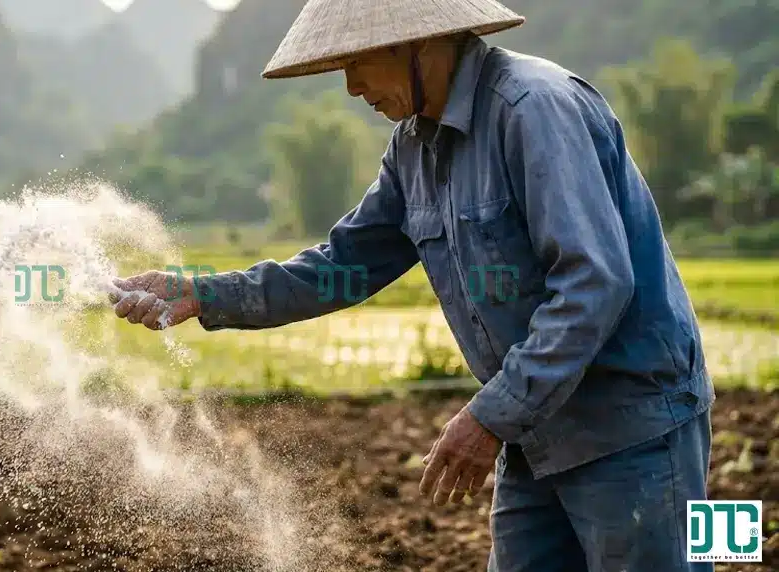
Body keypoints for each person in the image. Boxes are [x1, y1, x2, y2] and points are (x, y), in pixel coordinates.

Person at [109, 0, 716, 570]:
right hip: (535, 434)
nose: (351, 87)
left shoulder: (534, 110)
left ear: (419, 43)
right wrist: (204, 294)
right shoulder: (413, 150)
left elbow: (595, 285)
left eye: (357, 63)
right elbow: (340, 267)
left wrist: (488, 418)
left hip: (631, 429)